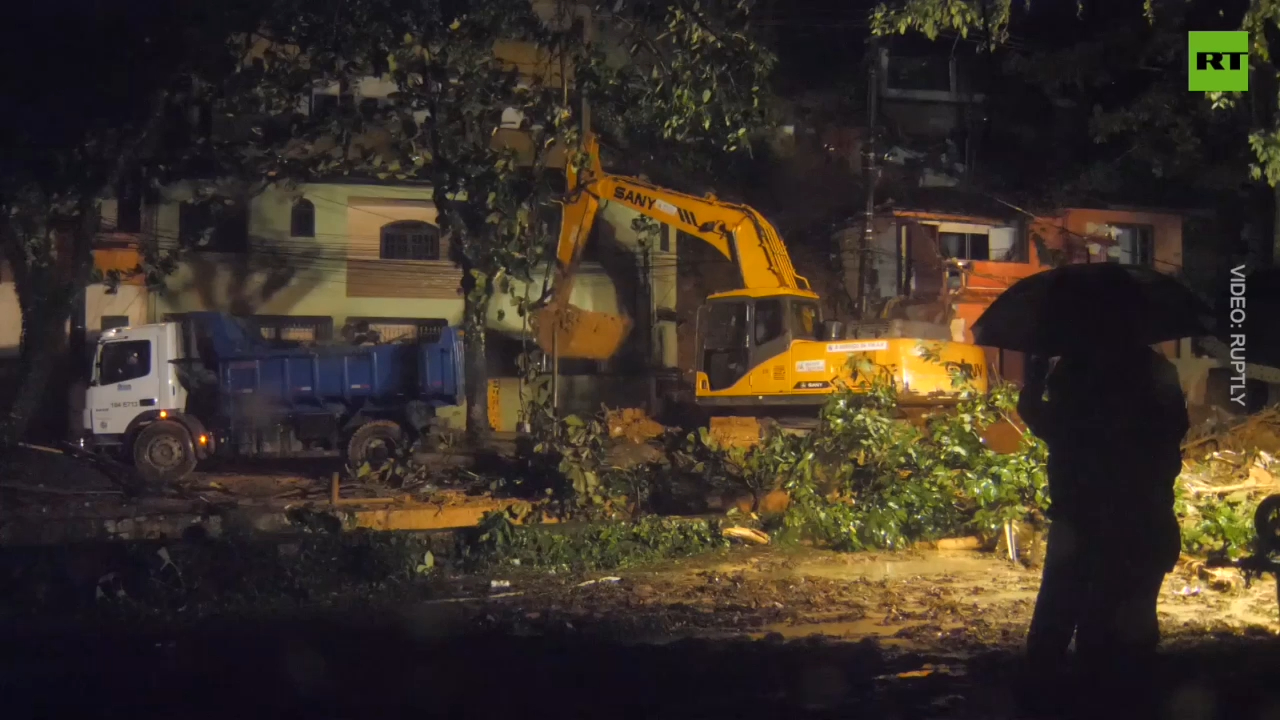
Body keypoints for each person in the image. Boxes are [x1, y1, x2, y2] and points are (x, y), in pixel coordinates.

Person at [1016, 343, 1188, 715]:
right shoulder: (1156, 371)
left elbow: (1044, 419)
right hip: (1143, 518)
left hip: (1082, 519)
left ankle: (1057, 699)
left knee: (1059, 619)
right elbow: (1176, 431)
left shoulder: (1077, 368)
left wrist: (1033, 381)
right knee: (1128, 624)